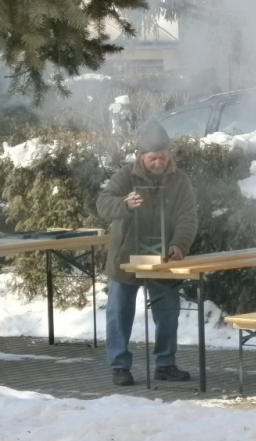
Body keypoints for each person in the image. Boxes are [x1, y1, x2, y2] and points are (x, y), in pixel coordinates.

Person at [97, 120, 198, 386]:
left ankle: (165, 364)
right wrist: (125, 204)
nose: (158, 163)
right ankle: (120, 366)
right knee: (119, 313)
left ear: (169, 155)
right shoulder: (125, 176)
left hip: (163, 258)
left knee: (167, 312)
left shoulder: (180, 180)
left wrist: (179, 245)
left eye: (163, 157)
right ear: (141, 157)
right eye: (153, 158)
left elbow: (188, 217)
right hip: (126, 257)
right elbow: (103, 204)